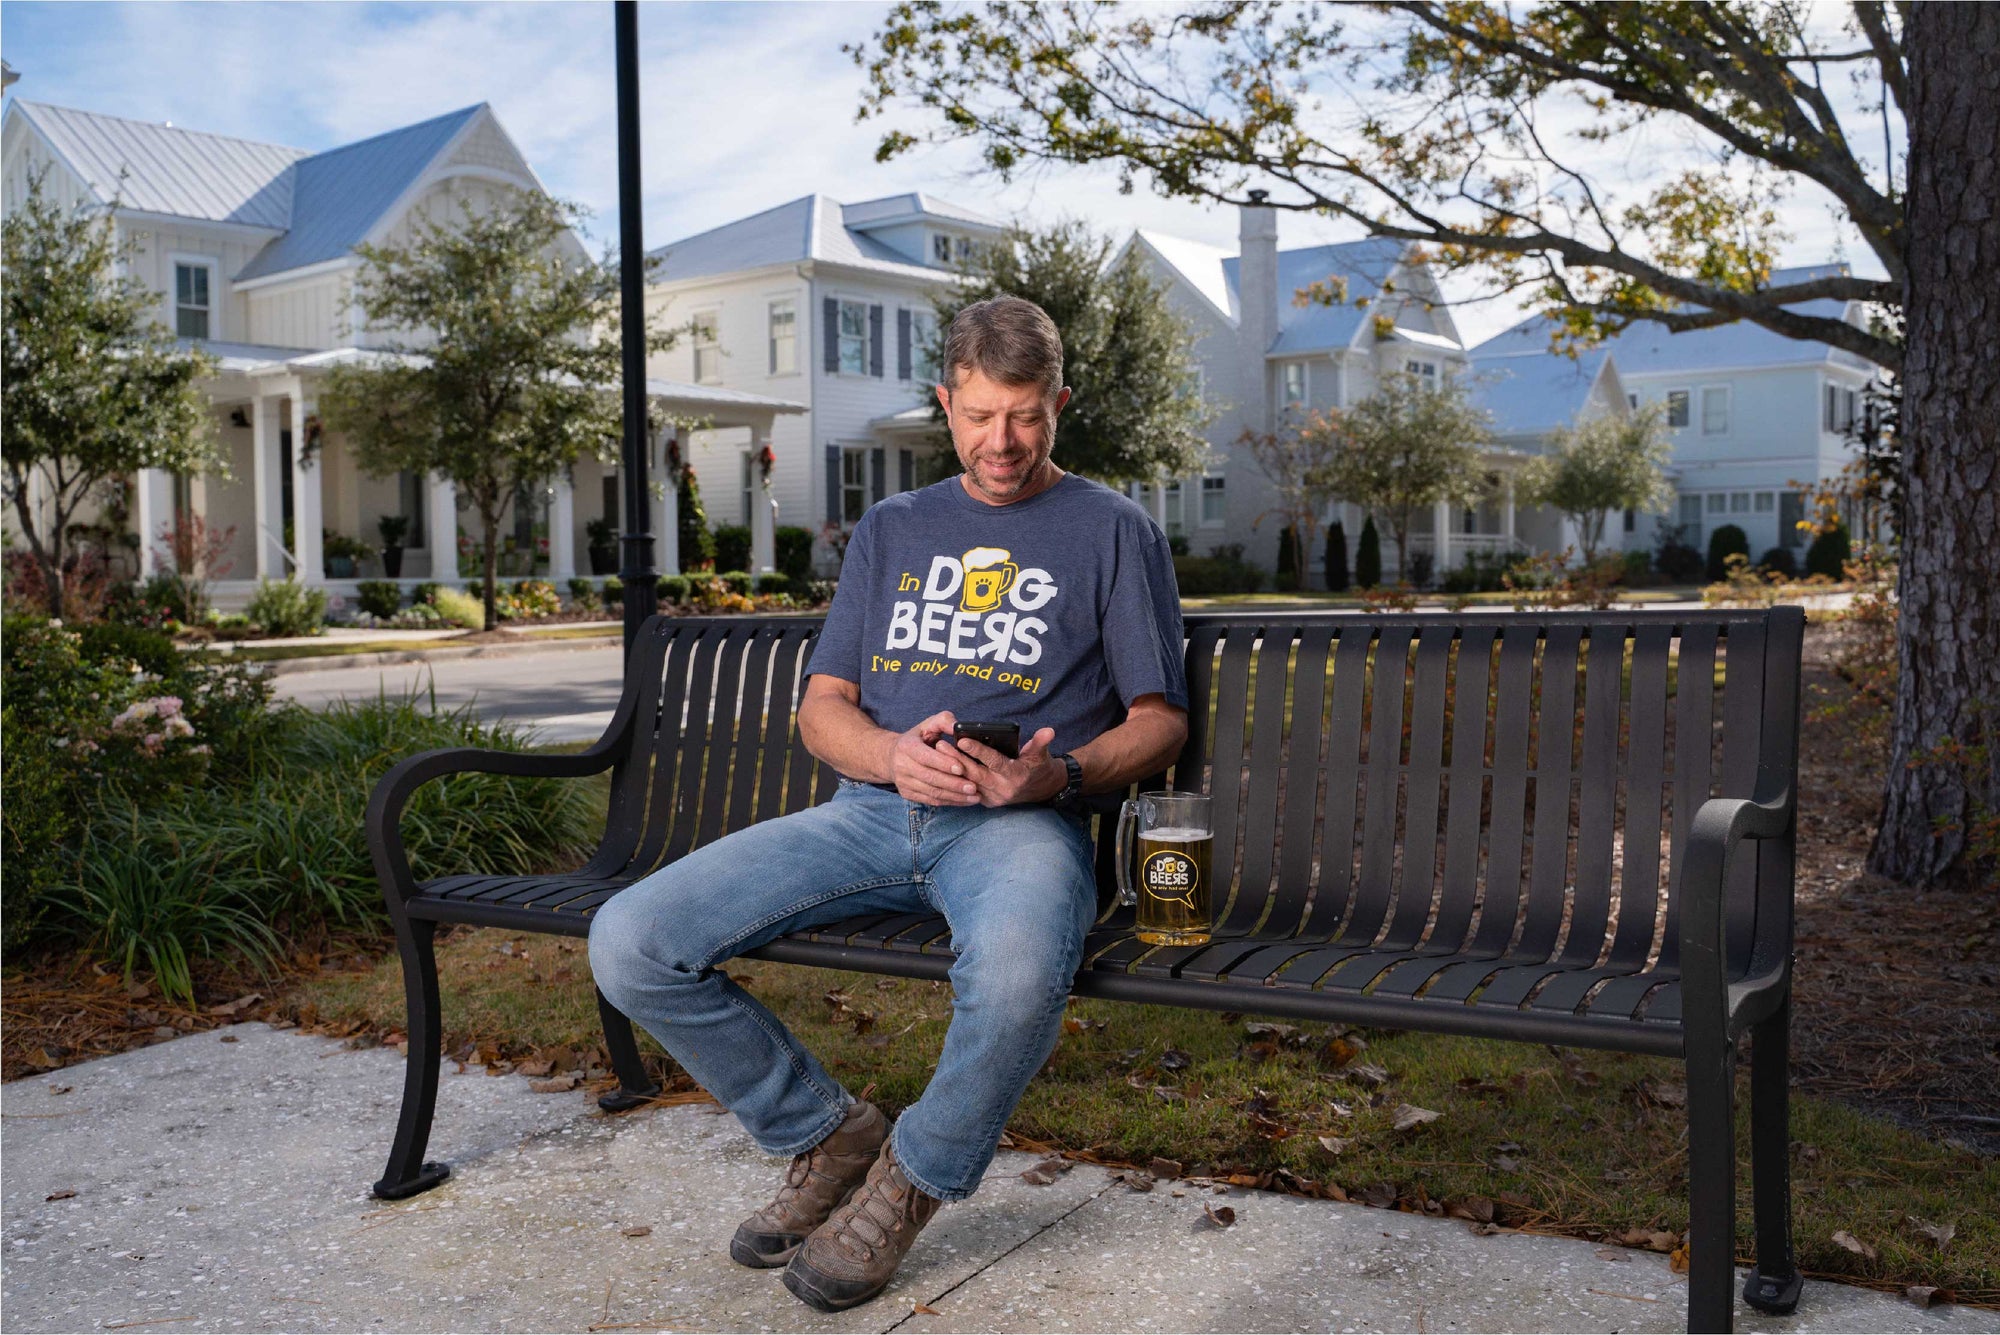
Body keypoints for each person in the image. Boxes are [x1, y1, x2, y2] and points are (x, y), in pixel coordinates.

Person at [588, 294, 1188, 1313]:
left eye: (1028, 415)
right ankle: (825, 1134)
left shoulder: (1112, 531)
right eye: (981, 415)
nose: (1002, 442)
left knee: (1010, 979)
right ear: (946, 405)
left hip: (1017, 830)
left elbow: (1159, 718)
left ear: (1059, 405)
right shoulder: (893, 526)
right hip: (865, 812)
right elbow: (822, 710)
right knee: (629, 940)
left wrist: (1061, 776)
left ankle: (907, 1180)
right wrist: (885, 755)